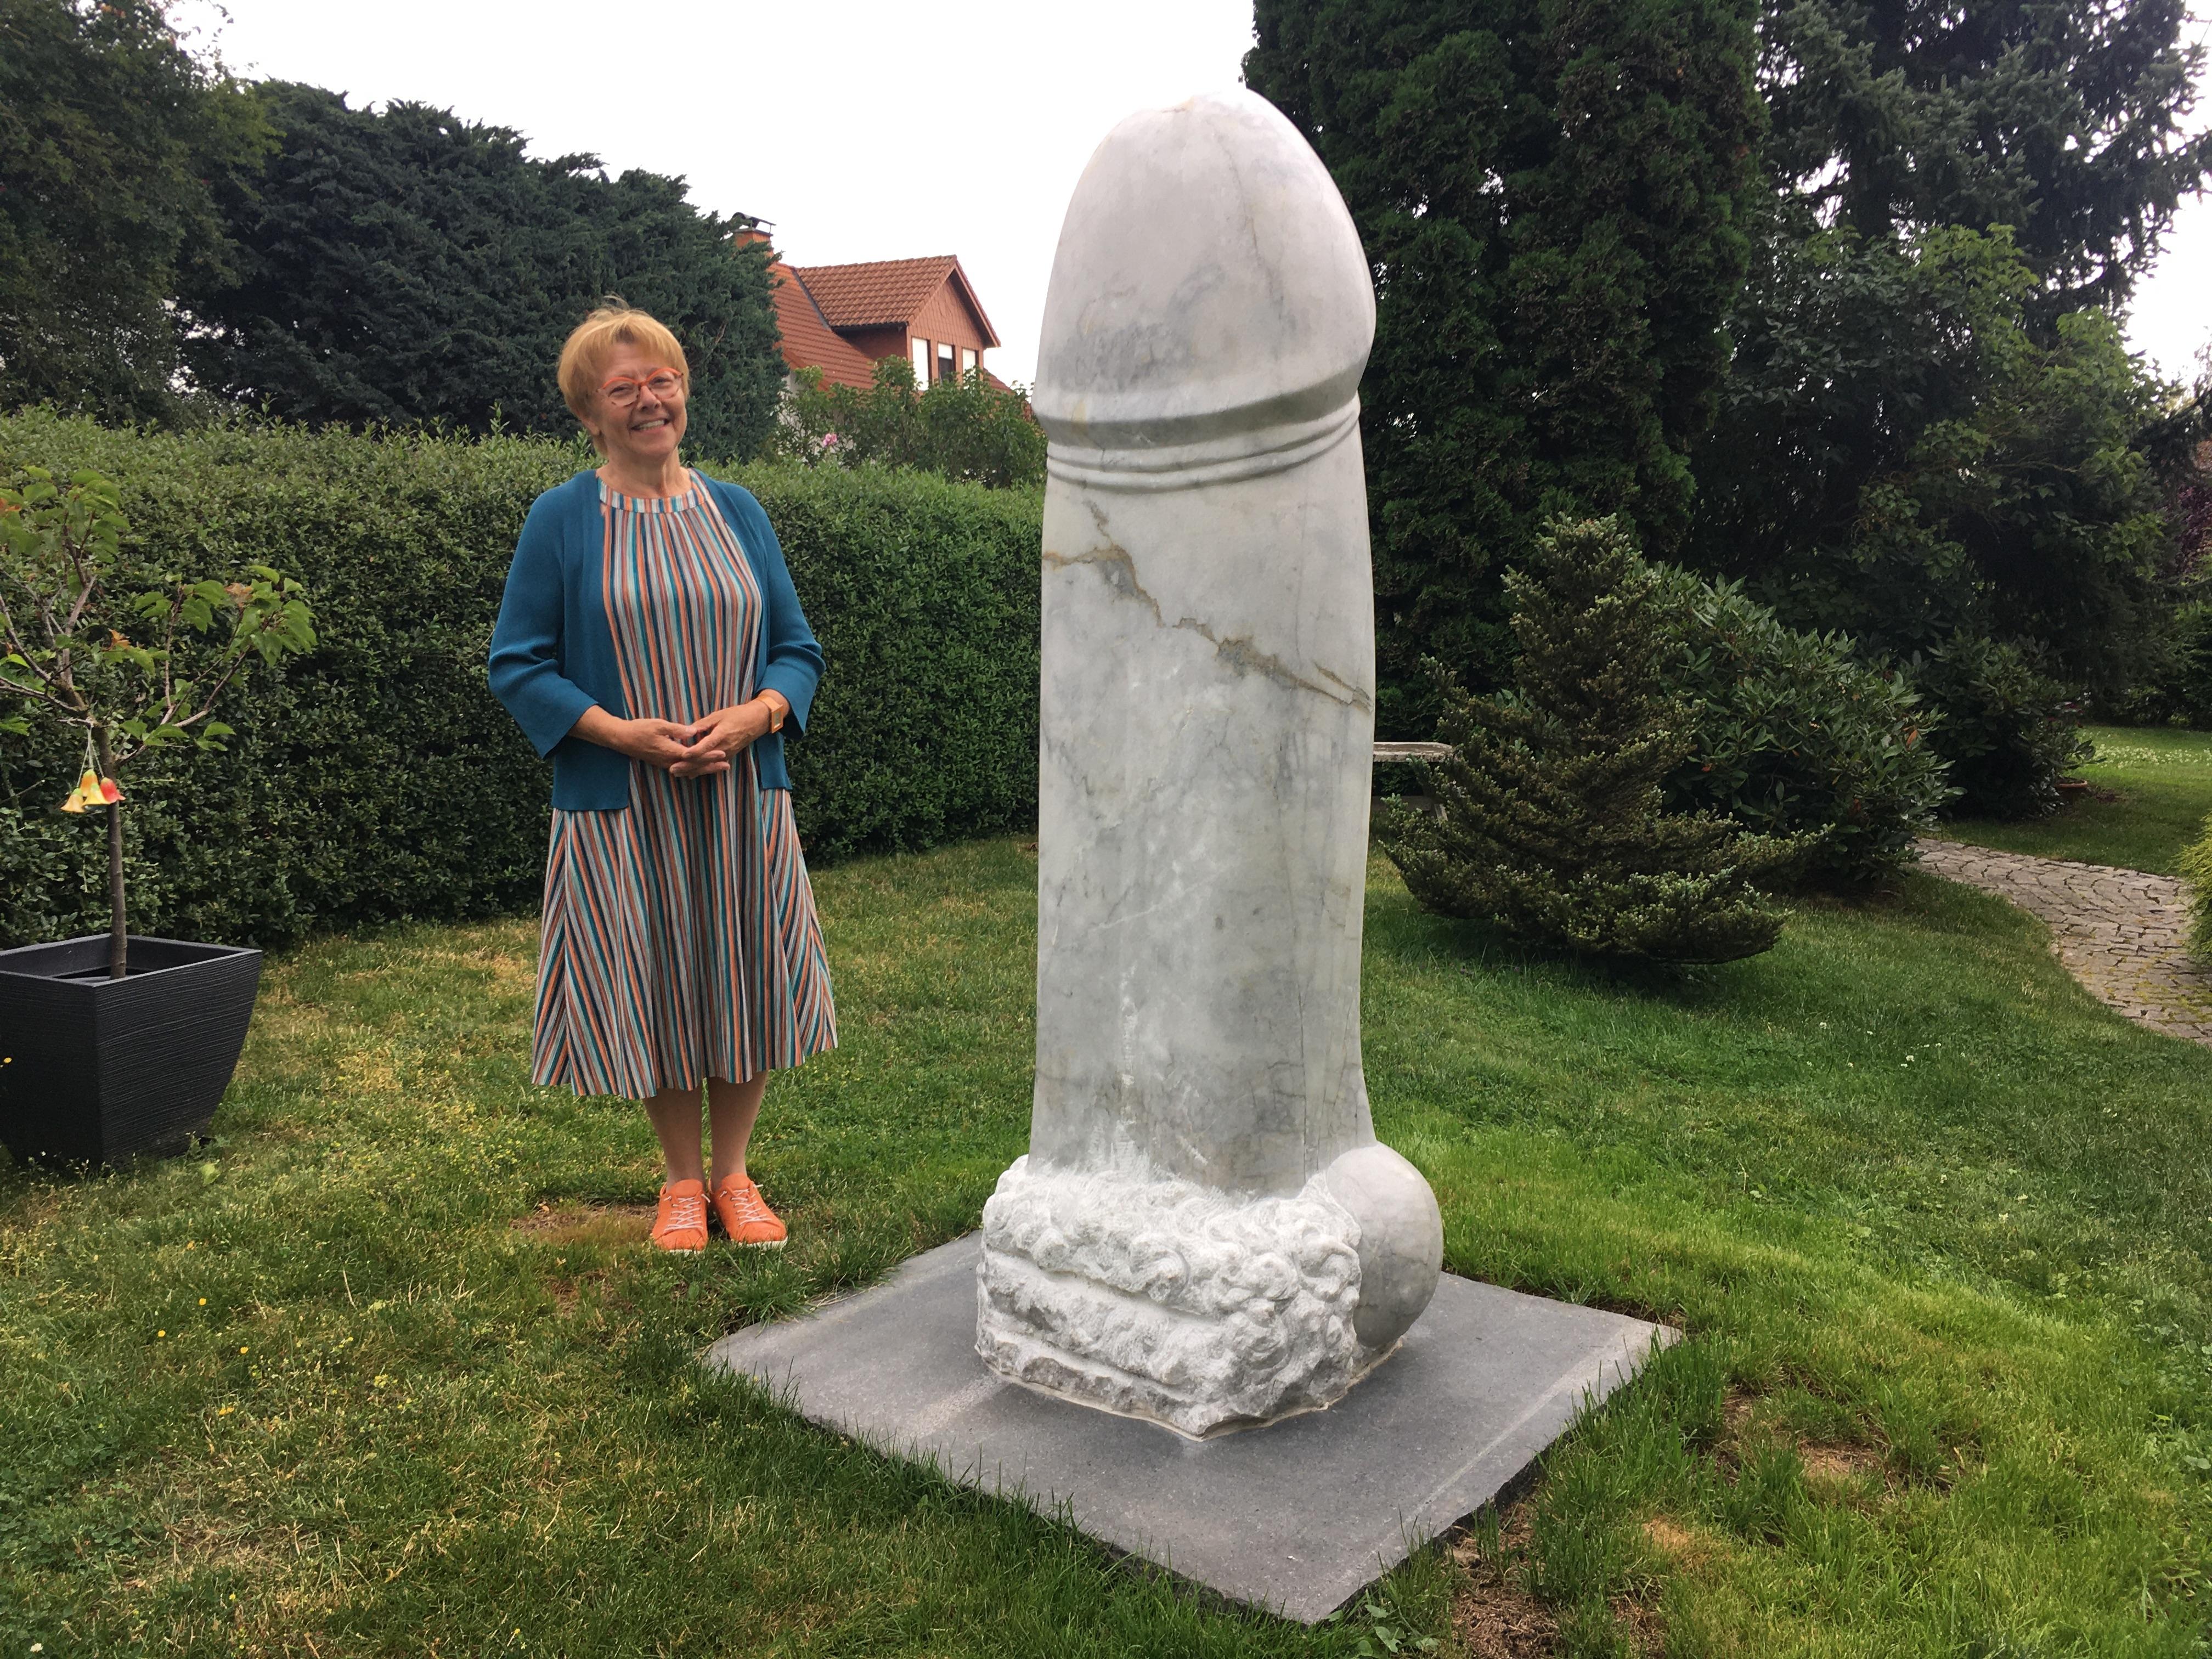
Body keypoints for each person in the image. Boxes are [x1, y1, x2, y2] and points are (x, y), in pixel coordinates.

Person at [488, 304, 836, 1254]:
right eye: (624, 388)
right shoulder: (560, 519)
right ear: (590, 413)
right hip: (623, 800)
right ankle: (681, 1182)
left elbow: (797, 650)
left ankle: (735, 1173)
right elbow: (517, 663)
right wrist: (623, 736)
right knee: (656, 979)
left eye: (663, 381)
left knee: (744, 974)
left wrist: (757, 714)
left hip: (738, 794)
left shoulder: (738, 510)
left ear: (684, 391)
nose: (650, 400)